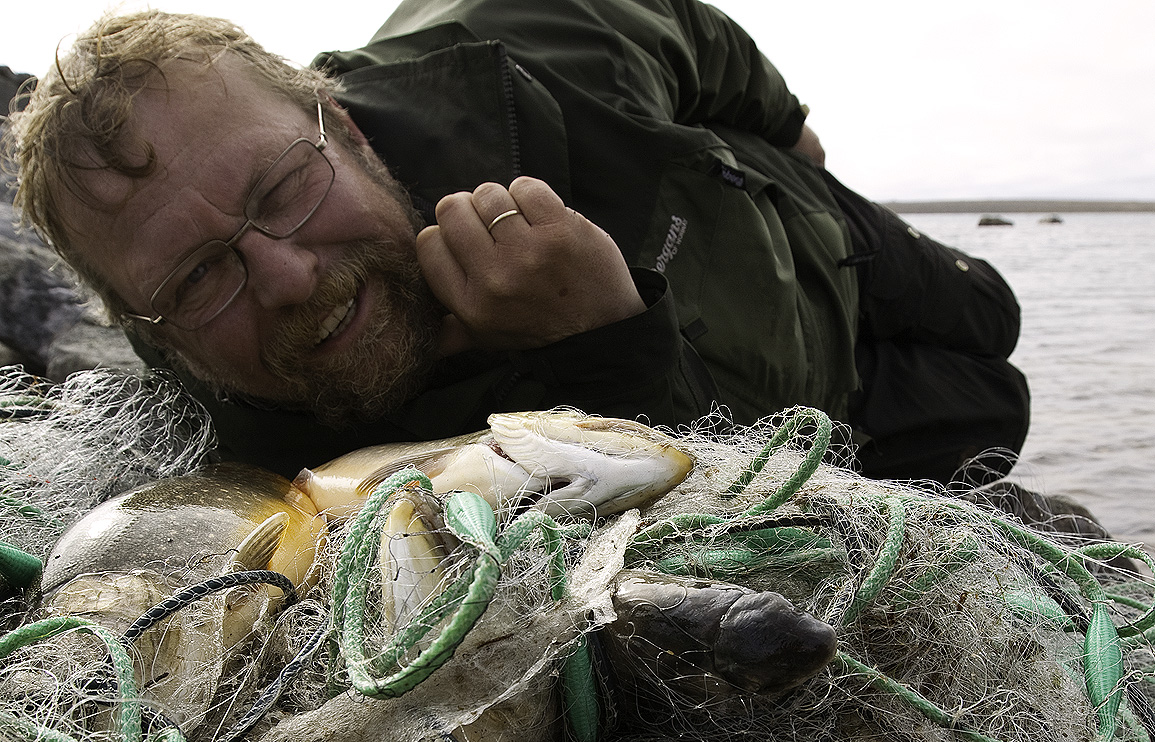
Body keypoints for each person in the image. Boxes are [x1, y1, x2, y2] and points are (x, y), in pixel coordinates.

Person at [6, 1, 1029, 483]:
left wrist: (792, 140)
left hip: (804, 224)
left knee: (996, 311)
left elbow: (690, 33)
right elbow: (682, 559)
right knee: (1000, 408)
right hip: (828, 410)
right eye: (197, 279)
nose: (282, 276)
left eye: (283, 187)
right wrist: (598, 349)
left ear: (348, 130)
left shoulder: (518, 43)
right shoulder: (258, 477)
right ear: (157, 337)